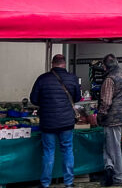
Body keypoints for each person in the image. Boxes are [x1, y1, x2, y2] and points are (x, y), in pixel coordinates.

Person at [30, 54, 82, 188]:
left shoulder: (42, 79)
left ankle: (45, 183)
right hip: (66, 122)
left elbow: (34, 100)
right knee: (67, 150)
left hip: (48, 122)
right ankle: (69, 182)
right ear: (64, 64)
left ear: (52, 64)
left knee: (48, 152)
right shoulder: (72, 78)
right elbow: (77, 98)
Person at [97, 54, 122, 186]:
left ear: (105, 66)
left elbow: (106, 101)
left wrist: (100, 115)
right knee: (111, 146)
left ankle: (117, 177)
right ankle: (109, 171)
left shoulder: (110, 79)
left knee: (114, 148)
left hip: (113, 117)